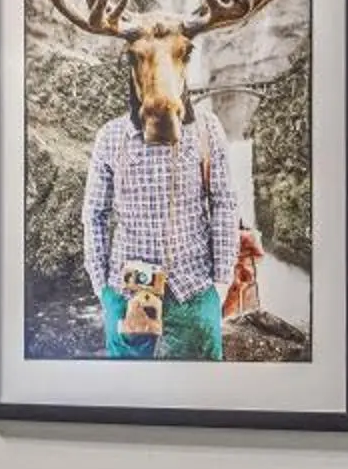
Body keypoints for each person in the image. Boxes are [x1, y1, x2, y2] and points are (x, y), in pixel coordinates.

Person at [81, 100, 239, 360]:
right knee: (127, 392)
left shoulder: (206, 128)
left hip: (194, 290)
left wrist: (221, 283)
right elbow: (95, 213)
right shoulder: (110, 135)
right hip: (125, 294)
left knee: (200, 392)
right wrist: (103, 290)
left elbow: (223, 202)